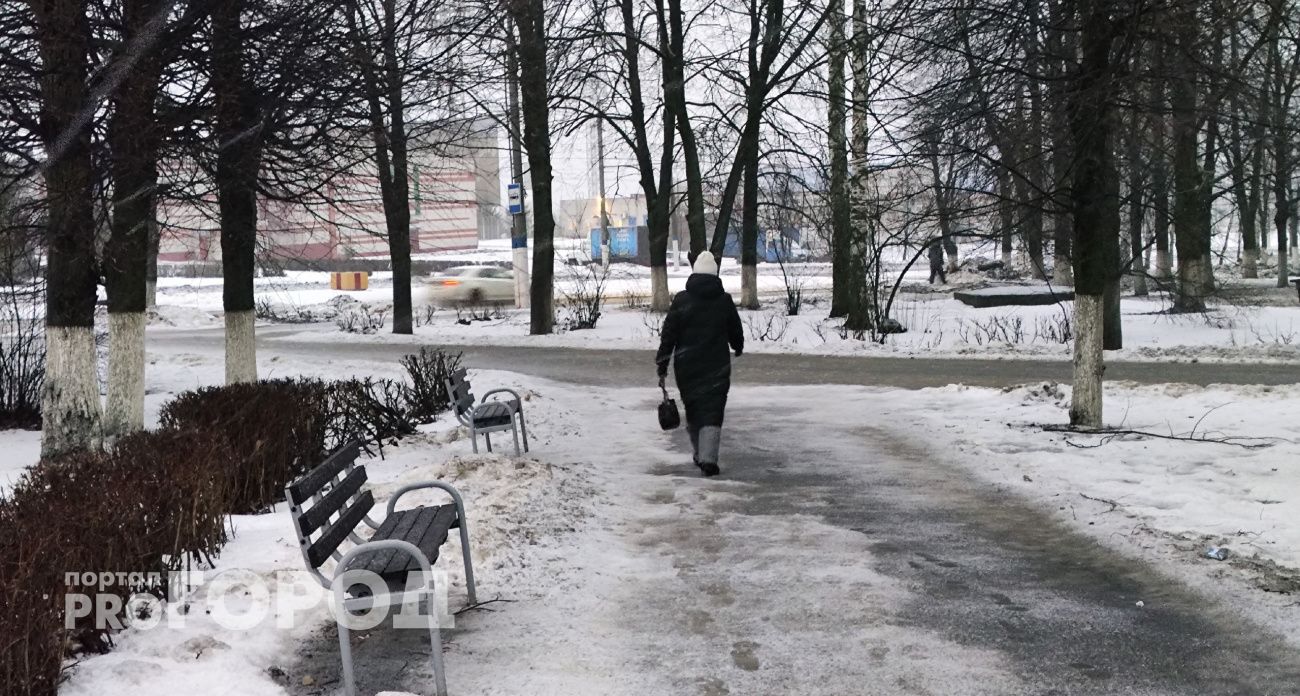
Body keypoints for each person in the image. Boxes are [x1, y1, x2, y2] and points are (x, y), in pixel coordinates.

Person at [655, 251, 743, 477]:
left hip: (688, 366)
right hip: (717, 366)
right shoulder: (724, 301)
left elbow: (669, 334)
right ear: (715, 274)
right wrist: (738, 345)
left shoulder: (682, 300)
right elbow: (735, 329)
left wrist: (663, 361)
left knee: (694, 408)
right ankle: (708, 457)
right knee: (713, 410)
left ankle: (700, 453)